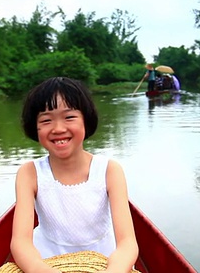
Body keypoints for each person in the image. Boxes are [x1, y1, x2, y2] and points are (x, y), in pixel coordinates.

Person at [10, 77, 139, 273]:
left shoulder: (109, 170)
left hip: (106, 261)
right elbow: (20, 243)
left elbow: (128, 243)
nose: (58, 129)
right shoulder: (29, 173)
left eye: (69, 117)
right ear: (34, 128)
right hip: (47, 261)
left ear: (86, 120)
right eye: (46, 120)